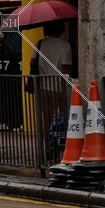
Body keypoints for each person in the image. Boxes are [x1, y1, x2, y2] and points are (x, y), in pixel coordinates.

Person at [31, 21, 73, 160]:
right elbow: (66, 69)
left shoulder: (39, 44)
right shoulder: (65, 46)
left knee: (47, 119)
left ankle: (47, 148)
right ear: (62, 31)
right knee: (61, 119)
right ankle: (60, 146)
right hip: (58, 88)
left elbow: (32, 63)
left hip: (42, 86)